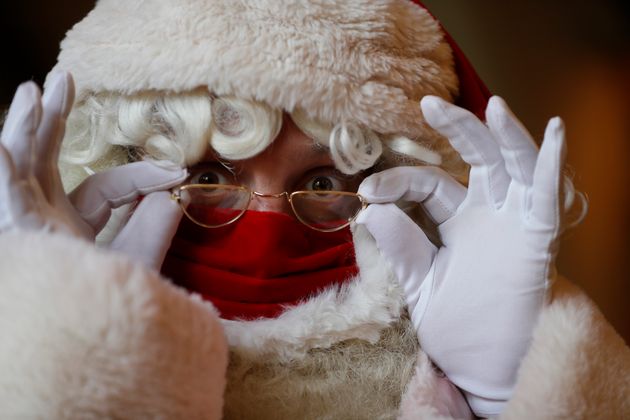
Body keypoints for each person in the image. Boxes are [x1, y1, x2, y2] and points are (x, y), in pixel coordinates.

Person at [0, 0, 628, 418]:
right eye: (211, 174)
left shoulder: (476, 335)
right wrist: (67, 344)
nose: (267, 224)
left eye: (325, 181)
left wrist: (514, 392)